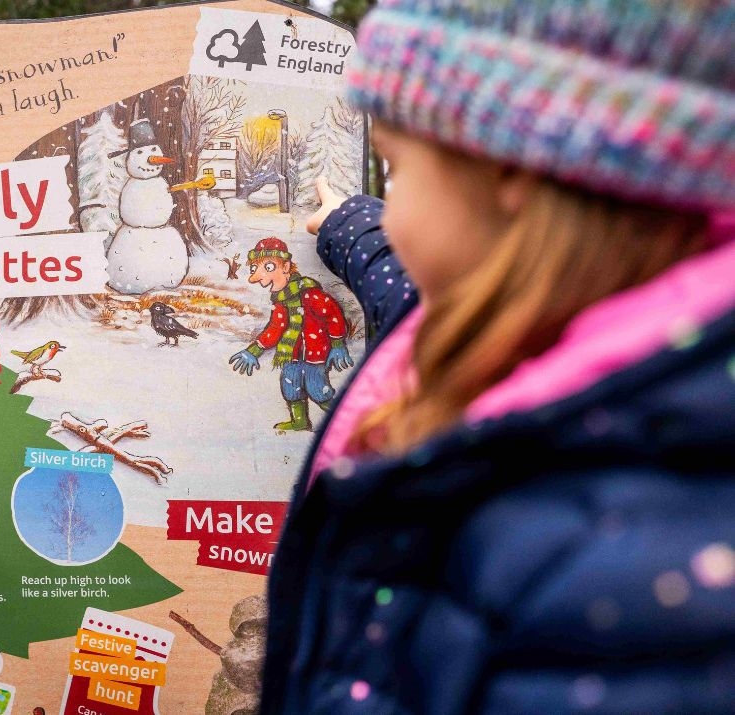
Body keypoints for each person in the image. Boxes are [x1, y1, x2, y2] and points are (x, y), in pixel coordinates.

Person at [262, 0, 735, 712]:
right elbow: (408, 291)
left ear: (512, 169)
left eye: (395, 172)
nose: (391, 210)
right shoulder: (543, 334)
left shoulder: (607, 586)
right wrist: (348, 224)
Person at [229, 237, 353, 431]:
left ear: (285, 266)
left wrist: (337, 343)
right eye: (254, 269)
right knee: (291, 387)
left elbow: (332, 313)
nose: (258, 274)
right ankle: (300, 422)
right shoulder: (280, 301)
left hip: (315, 355)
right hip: (291, 355)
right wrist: (254, 350)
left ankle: (347, 420)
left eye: (268, 267)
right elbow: (275, 329)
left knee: (318, 390)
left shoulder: (309, 294)